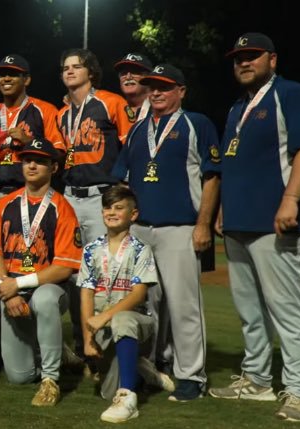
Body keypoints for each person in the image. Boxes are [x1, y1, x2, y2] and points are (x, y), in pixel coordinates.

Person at [208, 33, 300, 422]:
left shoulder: (291, 94)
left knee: (287, 309)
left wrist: (291, 199)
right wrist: (223, 208)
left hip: (276, 224)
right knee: (250, 311)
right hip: (240, 223)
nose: (243, 63)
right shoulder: (236, 108)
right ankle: (258, 380)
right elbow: (233, 165)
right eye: (237, 57)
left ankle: (299, 391)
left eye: (251, 56)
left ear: (272, 60)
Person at [111, 64, 219, 402]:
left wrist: (203, 224)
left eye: (164, 86)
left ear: (181, 91)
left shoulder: (196, 124)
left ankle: (191, 376)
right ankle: (152, 367)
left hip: (180, 227)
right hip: (141, 229)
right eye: (152, 86)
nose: (156, 92)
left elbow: (212, 177)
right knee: (145, 303)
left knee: (185, 304)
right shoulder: (138, 130)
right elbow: (122, 181)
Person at [0, 138, 82, 406]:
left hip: (48, 286)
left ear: (54, 167)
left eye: (40, 161)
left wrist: (20, 284)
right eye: (27, 160)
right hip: (12, 288)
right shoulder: (5, 205)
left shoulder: (63, 208)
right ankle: (55, 350)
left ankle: (50, 380)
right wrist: (6, 287)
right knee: (19, 376)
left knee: (44, 299)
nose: (32, 165)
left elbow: (64, 266)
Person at [54, 48, 132, 362]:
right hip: (71, 196)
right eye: (65, 67)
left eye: (77, 66)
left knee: (107, 272)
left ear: (91, 72)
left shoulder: (112, 102)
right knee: (76, 275)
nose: (70, 71)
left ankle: (110, 345)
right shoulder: (62, 114)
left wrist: (123, 191)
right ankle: (83, 341)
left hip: (103, 197)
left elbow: (130, 146)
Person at [75, 186, 174, 422]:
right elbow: (86, 295)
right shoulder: (91, 250)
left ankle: (129, 399)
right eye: (107, 208)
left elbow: (138, 295)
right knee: (106, 392)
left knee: (121, 319)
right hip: (102, 329)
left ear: (133, 214)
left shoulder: (141, 249)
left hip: (136, 323)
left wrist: (104, 316)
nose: (111, 212)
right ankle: (143, 370)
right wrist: (88, 340)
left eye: (119, 208)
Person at [0, 54, 61, 206]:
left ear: (27, 80)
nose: (6, 79)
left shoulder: (44, 110)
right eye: (2, 75)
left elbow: (59, 153)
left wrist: (29, 142)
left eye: (13, 74)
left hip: (30, 194)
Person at [112, 53, 154, 124]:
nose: (128, 77)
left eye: (134, 72)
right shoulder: (112, 111)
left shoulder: (160, 109)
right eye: (123, 73)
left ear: (148, 77)